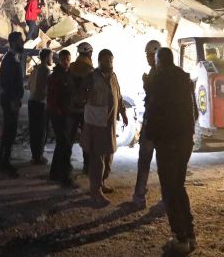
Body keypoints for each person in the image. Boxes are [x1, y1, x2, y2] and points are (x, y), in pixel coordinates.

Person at [144, 47, 198, 254]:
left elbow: (155, 109)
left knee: (169, 190)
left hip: (168, 142)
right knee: (179, 186)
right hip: (185, 140)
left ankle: (180, 237)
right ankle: (190, 235)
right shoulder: (184, 79)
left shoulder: (160, 80)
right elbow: (192, 111)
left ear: (159, 61)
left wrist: (148, 86)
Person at [81, 49, 127, 206]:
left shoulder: (113, 76)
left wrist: (123, 113)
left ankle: (102, 182)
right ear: (99, 61)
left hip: (110, 124)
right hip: (96, 124)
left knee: (108, 155)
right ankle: (95, 191)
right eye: (106, 61)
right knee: (97, 158)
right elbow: (80, 95)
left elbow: (118, 96)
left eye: (111, 61)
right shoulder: (92, 77)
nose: (109, 64)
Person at [132, 39, 162, 208]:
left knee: (145, 161)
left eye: (149, 55)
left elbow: (156, 98)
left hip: (154, 124)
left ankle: (139, 196)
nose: (147, 58)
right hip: (157, 124)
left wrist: (147, 85)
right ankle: (142, 195)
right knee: (159, 163)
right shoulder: (158, 72)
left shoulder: (157, 74)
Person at [0, 31, 25, 178]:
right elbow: (8, 83)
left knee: (9, 130)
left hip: (11, 99)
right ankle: (4, 162)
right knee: (9, 131)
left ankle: (3, 160)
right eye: (21, 41)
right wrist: (14, 99)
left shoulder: (12, 58)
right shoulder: (10, 60)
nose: (23, 43)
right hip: (10, 100)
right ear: (14, 43)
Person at [67, 41, 95, 175]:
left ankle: (65, 165)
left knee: (69, 138)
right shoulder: (91, 70)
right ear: (89, 53)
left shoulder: (71, 67)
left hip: (71, 108)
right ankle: (87, 166)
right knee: (87, 138)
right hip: (85, 110)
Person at [47, 49, 75, 185]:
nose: (66, 62)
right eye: (64, 59)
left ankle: (55, 173)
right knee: (64, 145)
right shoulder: (55, 77)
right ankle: (64, 176)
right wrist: (57, 112)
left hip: (67, 114)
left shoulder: (69, 75)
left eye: (68, 59)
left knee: (62, 144)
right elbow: (52, 98)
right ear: (59, 60)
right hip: (59, 115)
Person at [28, 48, 52, 165]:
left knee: (33, 130)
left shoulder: (35, 69)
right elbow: (45, 89)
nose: (52, 59)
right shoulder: (47, 71)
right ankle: (39, 157)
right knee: (42, 130)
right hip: (41, 103)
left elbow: (28, 85)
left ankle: (34, 156)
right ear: (47, 57)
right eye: (51, 56)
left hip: (31, 102)